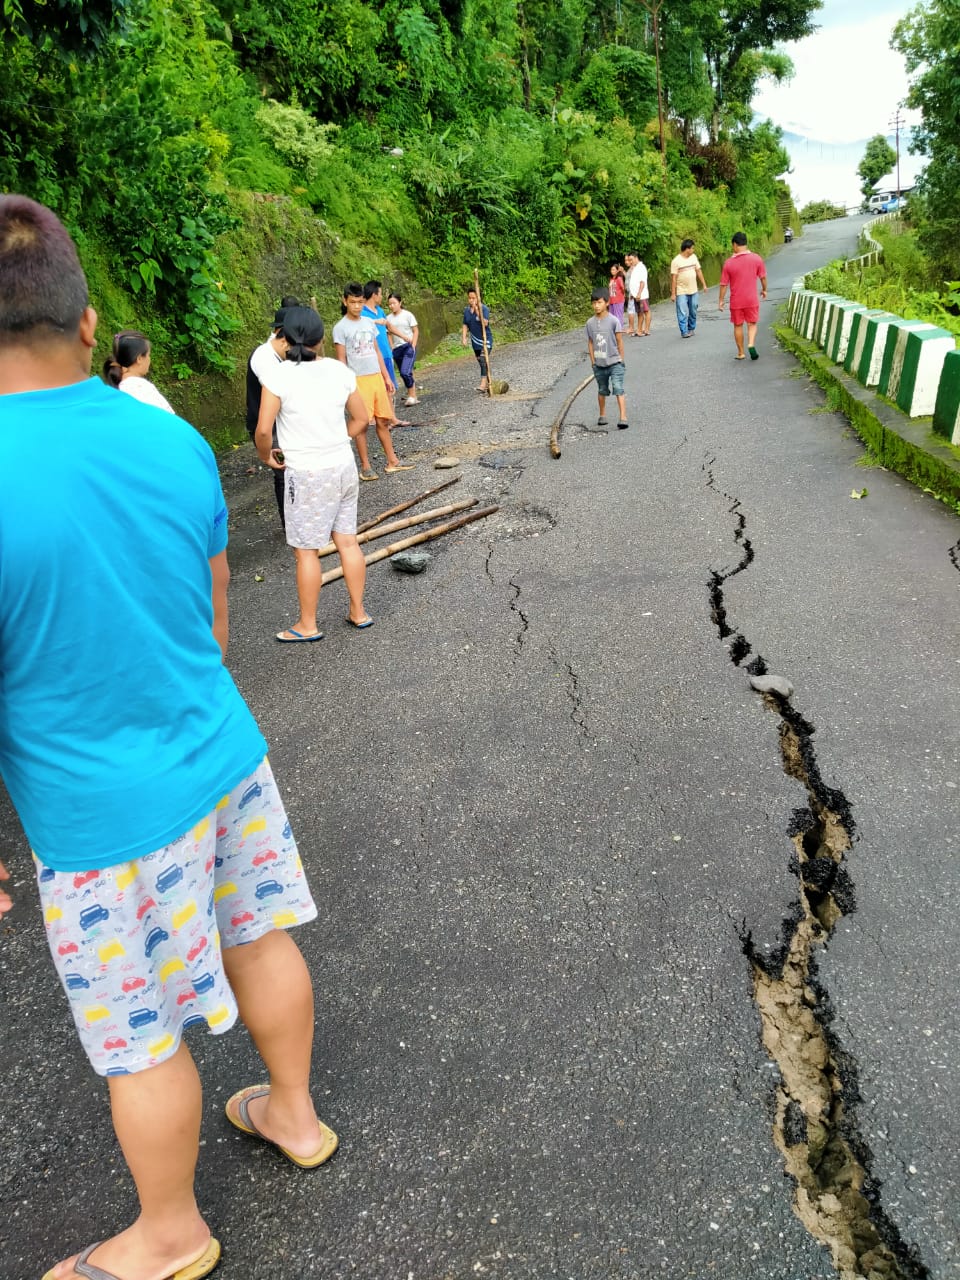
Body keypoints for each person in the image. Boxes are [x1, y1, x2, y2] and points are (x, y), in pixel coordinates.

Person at [0, 195, 335, 1280]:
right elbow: (209, 599)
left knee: (140, 1030)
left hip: (102, 819)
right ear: (89, 324)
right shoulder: (170, 437)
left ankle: (170, 1231)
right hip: (223, 755)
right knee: (260, 931)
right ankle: (291, 1110)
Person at [255, 305, 374, 641]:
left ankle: (308, 625)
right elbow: (362, 420)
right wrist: (337, 438)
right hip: (342, 465)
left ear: (285, 337)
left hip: (306, 472)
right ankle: (358, 611)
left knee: (306, 551)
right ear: (321, 338)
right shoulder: (340, 371)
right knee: (347, 542)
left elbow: (264, 430)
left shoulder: (278, 376)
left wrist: (266, 456)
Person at [333, 282, 414, 480]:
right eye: (353, 302)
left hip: (376, 377)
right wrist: (346, 386)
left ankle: (392, 461)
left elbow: (377, 351)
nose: (357, 306)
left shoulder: (369, 323)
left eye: (360, 302)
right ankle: (366, 467)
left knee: (383, 419)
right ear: (345, 301)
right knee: (360, 423)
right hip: (357, 381)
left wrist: (386, 377)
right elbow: (341, 359)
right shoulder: (340, 328)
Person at [246, 295, 300, 527]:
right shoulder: (263, 358)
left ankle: (299, 519)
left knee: (294, 469)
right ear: (283, 335)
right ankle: (290, 524)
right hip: (268, 425)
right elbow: (280, 394)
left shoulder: (282, 354)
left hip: (284, 422)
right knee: (283, 471)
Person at [362, 280, 411, 426]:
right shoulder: (363, 313)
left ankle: (391, 419)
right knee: (380, 389)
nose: (382, 297)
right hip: (374, 356)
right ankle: (386, 419)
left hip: (386, 355)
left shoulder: (380, 311)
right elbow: (361, 324)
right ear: (374, 294)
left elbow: (389, 327)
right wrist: (376, 322)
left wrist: (403, 336)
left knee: (390, 388)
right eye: (381, 293)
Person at [718, 231, 768, 360]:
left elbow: (723, 284)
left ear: (735, 244)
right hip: (751, 299)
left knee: (738, 325)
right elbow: (763, 278)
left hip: (736, 301)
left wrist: (721, 300)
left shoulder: (728, 263)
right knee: (751, 324)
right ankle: (751, 343)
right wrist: (764, 290)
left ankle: (741, 352)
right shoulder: (757, 258)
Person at [585, 287, 628, 430]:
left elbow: (619, 341)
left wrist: (621, 359)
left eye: (599, 302)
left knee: (618, 387)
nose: (596, 306)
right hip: (599, 364)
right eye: (594, 303)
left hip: (615, 362)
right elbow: (590, 342)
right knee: (602, 389)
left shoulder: (613, 321)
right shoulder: (590, 323)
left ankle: (623, 417)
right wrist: (593, 362)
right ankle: (602, 415)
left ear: (607, 303)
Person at [103, 329, 174, 412]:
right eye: (148, 355)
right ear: (139, 358)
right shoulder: (141, 388)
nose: (149, 359)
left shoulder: (120, 389)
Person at [386, 291, 419, 405]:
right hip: (397, 349)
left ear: (400, 302)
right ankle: (412, 395)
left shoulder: (407, 315)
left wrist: (413, 345)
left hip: (408, 346)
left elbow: (415, 330)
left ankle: (412, 396)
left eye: (394, 303)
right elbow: (388, 334)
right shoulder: (388, 318)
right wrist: (391, 347)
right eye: (389, 304)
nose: (392, 306)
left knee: (406, 372)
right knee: (403, 373)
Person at [670, 238, 708, 338]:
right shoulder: (676, 261)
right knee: (682, 311)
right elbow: (673, 278)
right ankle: (684, 331)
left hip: (694, 289)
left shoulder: (694, 257)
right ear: (687, 249)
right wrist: (673, 293)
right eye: (692, 248)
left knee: (693, 309)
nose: (693, 250)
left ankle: (691, 328)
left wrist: (704, 284)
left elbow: (698, 271)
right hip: (681, 291)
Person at [461, 287, 494, 392]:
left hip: (485, 340)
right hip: (475, 341)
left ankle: (483, 384)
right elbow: (465, 324)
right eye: (470, 298)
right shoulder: (466, 311)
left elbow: (485, 323)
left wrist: (477, 310)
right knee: (481, 362)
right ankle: (490, 382)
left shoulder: (484, 309)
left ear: (478, 298)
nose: (471, 300)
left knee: (483, 359)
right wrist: (464, 338)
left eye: (473, 298)